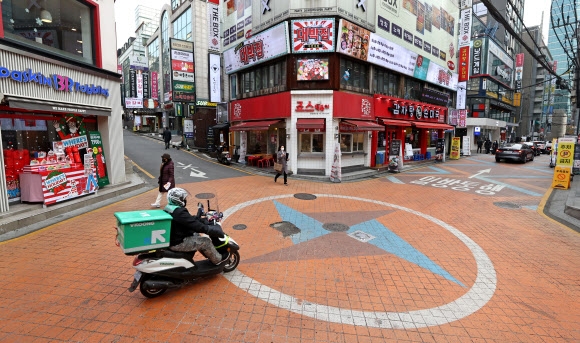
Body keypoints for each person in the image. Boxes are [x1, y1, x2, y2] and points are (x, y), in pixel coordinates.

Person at [164, 188, 230, 265]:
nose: (185, 200)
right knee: (206, 242)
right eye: (183, 198)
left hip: (174, 237)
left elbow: (188, 220)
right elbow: (195, 225)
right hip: (178, 243)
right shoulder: (179, 212)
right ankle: (218, 260)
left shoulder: (170, 208)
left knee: (196, 235)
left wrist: (201, 218)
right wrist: (209, 229)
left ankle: (209, 253)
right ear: (178, 199)